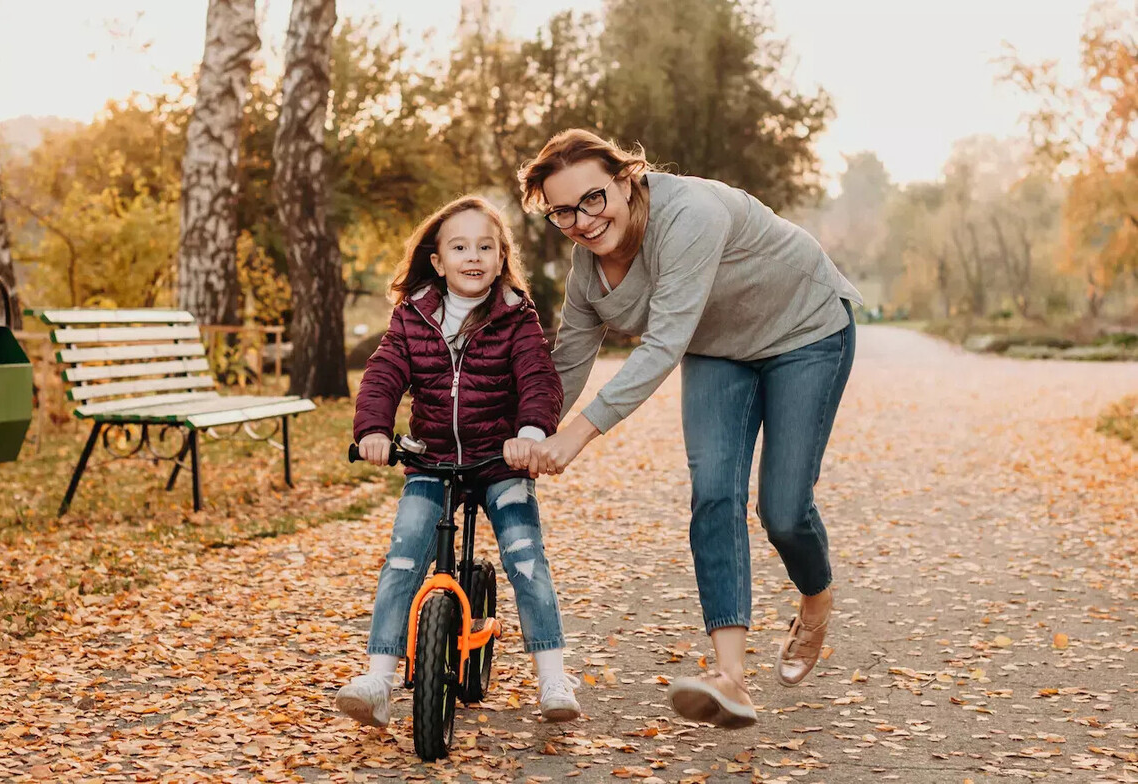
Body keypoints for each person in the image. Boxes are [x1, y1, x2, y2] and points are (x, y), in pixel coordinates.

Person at [517, 129, 862, 729]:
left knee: (783, 510)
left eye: (593, 199)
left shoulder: (689, 214)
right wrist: (528, 431)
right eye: (563, 212)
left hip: (804, 331)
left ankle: (816, 598)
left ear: (627, 180)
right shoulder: (587, 268)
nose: (583, 222)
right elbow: (567, 361)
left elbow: (663, 344)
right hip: (719, 351)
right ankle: (731, 678)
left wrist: (576, 436)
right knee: (714, 492)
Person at [336, 195, 581, 726]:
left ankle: (553, 676)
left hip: (500, 460)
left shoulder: (516, 316)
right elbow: (383, 374)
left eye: (485, 247)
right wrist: (374, 430)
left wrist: (530, 434)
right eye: (460, 247)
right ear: (438, 260)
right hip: (431, 461)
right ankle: (378, 679)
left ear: (501, 258)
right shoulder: (413, 316)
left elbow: (539, 377)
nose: (473, 257)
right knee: (404, 558)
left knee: (525, 556)